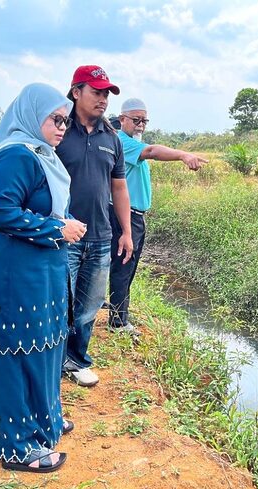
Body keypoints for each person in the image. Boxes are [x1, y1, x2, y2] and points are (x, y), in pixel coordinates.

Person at [0, 83, 87, 473]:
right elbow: (1, 214)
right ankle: (18, 446)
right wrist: (57, 230)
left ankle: (43, 421)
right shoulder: (16, 154)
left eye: (65, 122)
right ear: (31, 114)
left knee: (45, 345)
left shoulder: (42, 156)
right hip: (15, 273)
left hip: (41, 269)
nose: (61, 128)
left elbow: (41, 208)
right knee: (16, 352)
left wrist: (63, 224)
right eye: (55, 119)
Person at [56, 65, 133, 387]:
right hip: (63, 234)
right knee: (60, 302)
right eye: (96, 92)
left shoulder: (110, 138)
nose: (103, 100)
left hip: (100, 235)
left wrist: (126, 231)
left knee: (88, 305)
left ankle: (76, 360)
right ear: (76, 92)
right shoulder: (58, 130)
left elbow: (119, 187)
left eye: (106, 94)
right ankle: (52, 359)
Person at [108, 98, 208, 333]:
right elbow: (153, 151)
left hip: (136, 214)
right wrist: (183, 155)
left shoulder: (130, 142)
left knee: (128, 266)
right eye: (135, 120)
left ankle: (120, 312)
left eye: (144, 120)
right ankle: (117, 321)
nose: (141, 125)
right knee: (124, 265)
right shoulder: (123, 142)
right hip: (126, 216)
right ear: (122, 119)